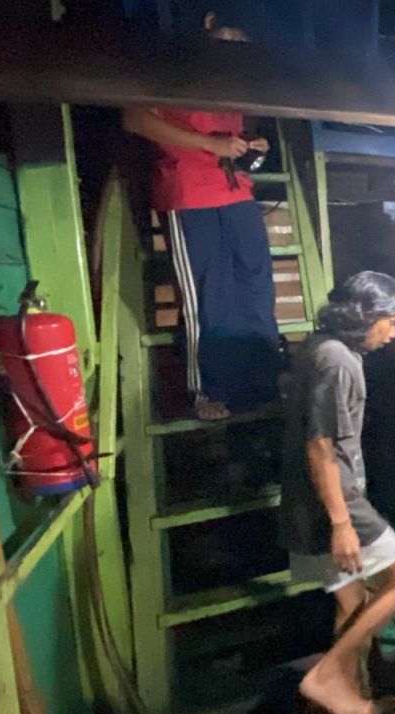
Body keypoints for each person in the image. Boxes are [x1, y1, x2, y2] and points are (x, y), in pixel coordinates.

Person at [279, 271, 395, 714]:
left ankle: (350, 701)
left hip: (306, 500)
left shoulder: (318, 346)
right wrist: (341, 523)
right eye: (390, 322)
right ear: (366, 316)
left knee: (351, 601)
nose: (393, 333)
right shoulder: (338, 361)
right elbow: (320, 446)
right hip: (333, 500)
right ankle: (326, 677)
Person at [123, 10, 278, 421]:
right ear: (209, 22)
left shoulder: (234, 74)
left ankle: (262, 381)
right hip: (189, 194)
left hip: (235, 191)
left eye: (242, 40)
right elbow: (135, 118)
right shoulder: (174, 67)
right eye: (231, 35)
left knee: (257, 287)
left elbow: (230, 134)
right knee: (210, 297)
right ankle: (208, 391)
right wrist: (210, 146)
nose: (235, 46)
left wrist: (249, 143)